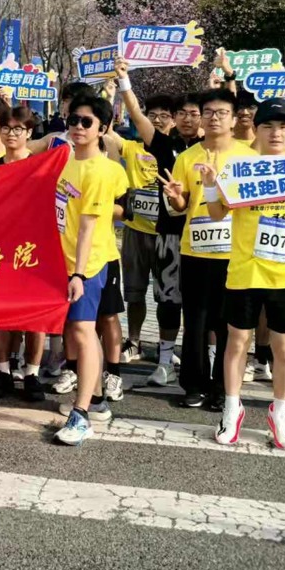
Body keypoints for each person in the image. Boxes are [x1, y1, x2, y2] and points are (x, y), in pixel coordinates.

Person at [195, 98, 285, 450]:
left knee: (284, 348)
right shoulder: (239, 167)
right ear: (256, 129)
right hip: (244, 271)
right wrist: (211, 184)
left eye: (283, 126)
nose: (276, 133)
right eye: (268, 126)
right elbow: (216, 213)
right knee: (236, 342)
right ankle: (232, 409)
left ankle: (280, 413)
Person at [160, 89, 256, 411]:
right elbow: (182, 205)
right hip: (196, 252)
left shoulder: (248, 157)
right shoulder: (187, 158)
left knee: (229, 324)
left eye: (222, 112)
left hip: (236, 254)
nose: (215, 118)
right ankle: (193, 385)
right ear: (201, 117)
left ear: (234, 118)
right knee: (196, 321)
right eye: (209, 112)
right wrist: (175, 198)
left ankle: (223, 387)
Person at [115, 64, 202, 387]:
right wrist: (123, 81)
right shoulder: (164, 146)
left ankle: (201, 362)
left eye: (195, 113)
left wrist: (226, 81)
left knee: (202, 305)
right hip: (169, 236)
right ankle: (165, 361)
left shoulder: (214, 148)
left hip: (207, 239)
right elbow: (137, 116)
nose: (188, 119)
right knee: (167, 301)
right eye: (182, 113)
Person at [54, 95, 128, 445]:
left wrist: (79, 274)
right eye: (73, 120)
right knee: (79, 331)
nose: (78, 127)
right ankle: (96, 401)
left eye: (87, 122)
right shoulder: (67, 162)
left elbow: (87, 227)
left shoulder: (98, 170)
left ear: (102, 128)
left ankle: (81, 414)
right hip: (66, 260)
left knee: (84, 331)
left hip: (90, 263)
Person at [0, 106, 48, 402]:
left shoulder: (42, 167)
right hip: (0, 252)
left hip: (36, 252)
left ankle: (32, 373)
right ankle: (3, 371)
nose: (11, 134)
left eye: (18, 129)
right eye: (6, 128)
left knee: (35, 316)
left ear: (29, 132)